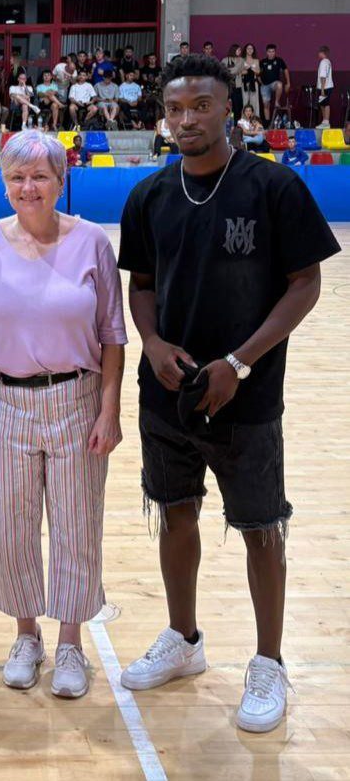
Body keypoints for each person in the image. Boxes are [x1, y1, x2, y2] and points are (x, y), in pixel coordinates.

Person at [117, 53, 340, 734]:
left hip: (247, 394)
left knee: (261, 526)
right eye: (175, 109)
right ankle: (183, 639)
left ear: (228, 111)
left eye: (200, 106)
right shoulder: (149, 195)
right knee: (174, 512)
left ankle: (269, 662)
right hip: (167, 392)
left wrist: (239, 363)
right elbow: (142, 285)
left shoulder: (272, 187)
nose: (186, 119)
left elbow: (306, 282)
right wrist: (153, 345)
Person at [0, 129, 126, 696]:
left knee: (77, 523)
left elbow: (112, 334)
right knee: (11, 523)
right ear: (3, 184)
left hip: (76, 398)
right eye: (17, 177)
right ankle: (26, 634)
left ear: (61, 180)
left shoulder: (92, 241)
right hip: (2, 399)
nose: (28, 187)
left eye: (39, 176)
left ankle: (71, 642)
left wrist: (109, 409)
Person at [259, 45, 290, 127]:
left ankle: (276, 101)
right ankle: (267, 123)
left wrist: (288, 83)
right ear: (267, 52)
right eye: (269, 52)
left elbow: (286, 70)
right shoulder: (262, 61)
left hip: (274, 84)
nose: (271, 53)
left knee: (279, 84)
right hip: (265, 85)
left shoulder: (279, 60)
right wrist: (260, 82)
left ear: (275, 52)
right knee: (266, 105)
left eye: (273, 51)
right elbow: (258, 73)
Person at [221, 44, 245, 122]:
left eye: (240, 50)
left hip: (237, 86)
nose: (240, 51)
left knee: (238, 106)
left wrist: (228, 70)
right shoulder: (225, 60)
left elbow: (236, 70)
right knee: (228, 106)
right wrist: (229, 71)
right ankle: (229, 122)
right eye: (238, 50)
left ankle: (237, 122)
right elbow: (222, 70)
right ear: (233, 50)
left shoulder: (241, 60)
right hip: (227, 86)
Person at [240, 43, 261, 120]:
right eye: (248, 48)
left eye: (251, 48)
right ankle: (244, 120)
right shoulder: (241, 60)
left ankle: (255, 120)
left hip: (254, 83)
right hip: (244, 83)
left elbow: (258, 72)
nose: (250, 50)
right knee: (245, 102)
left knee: (254, 102)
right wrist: (246, 70)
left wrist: (251, 69)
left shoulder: (256, 60)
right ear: (245, 50)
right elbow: (239, 72)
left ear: (253, 50)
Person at [316, 45, 333, 128]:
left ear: (322, 53)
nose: (318, 54)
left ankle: (326, 122)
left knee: (325, 104)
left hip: (325, 87)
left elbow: (323, 76)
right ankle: (325, 121)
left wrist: (322, 89)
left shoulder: (323, 62)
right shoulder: (328, 61)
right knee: (323, 104)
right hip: (327, 87)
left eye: (319, 52)